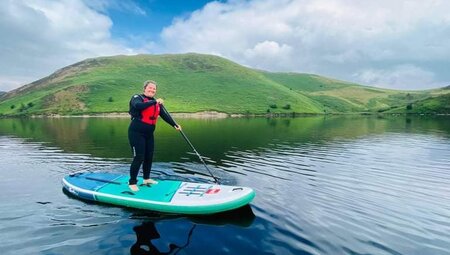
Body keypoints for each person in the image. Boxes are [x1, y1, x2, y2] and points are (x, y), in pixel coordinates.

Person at [128, 80, 181, 191]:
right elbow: (138, 106)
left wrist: (174, 125)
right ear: (145, 88)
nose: (152, 90)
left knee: (149, 156)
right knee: (139, 157)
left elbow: (164, 115)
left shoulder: (156, 103)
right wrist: (155, 102)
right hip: (136, 132)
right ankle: (132, 182)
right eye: (150, 88)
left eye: (154, 89)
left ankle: (146, 178)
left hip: (149, 134)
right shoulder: (137, 97)